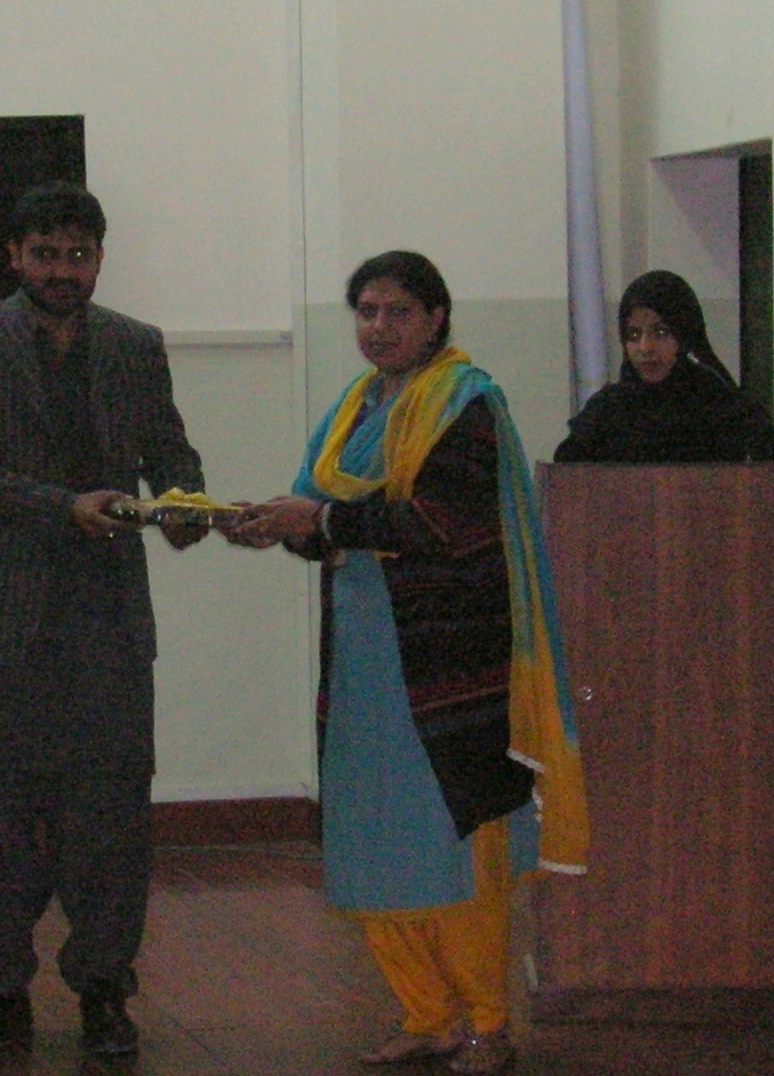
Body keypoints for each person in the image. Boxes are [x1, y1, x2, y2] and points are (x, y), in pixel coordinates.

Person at [225, 252, 588, 1074]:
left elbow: (440, 522)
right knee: (371, 838)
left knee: (453, 844)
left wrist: (319, 522)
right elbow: (327, 518)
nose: (379, 327)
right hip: (366, 664)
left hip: (448, 670)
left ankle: (488, 1023)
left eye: (397, 311)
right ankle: (427, 1014)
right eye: (366, 311)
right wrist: (274, 524)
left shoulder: (467, 403)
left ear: (436, 317)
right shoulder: (355, 409)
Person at [0, 181, 206, 1056]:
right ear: (14, 256)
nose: (62, 271)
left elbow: (171, 451)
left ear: (100, 258)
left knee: (111, 817)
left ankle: (104, 990)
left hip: (106, 618)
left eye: (78, 255)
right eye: (45, 254)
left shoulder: (135, 345)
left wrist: (189, 505)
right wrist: (64, 506)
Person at [554, 269, 774, 462]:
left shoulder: (725, 407)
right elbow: (566, 477)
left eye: (660, 332)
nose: (645, 347)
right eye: (633, 335)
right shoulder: (606, 412)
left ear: (684, 335)